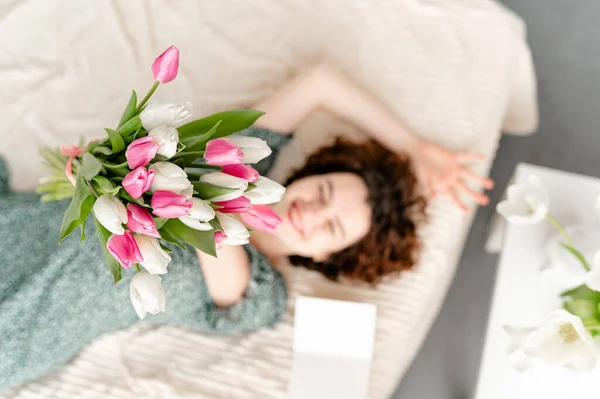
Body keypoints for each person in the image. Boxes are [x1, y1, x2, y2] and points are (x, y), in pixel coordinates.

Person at [0, 65, 493, 391]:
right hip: (18, 227)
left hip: (24, 321)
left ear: (326, 258)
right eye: (322, 193)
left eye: (332, 227)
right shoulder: (241, 166)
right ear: (308, 175)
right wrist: (415, 149)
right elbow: (321, 82)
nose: (312, 212)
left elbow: (215, 234)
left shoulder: (263, 293)